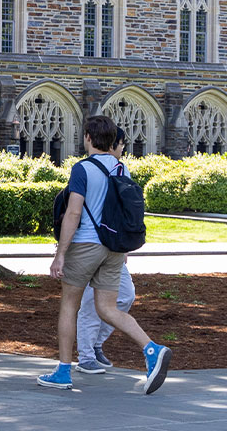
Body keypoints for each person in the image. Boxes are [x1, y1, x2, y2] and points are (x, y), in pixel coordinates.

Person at [41, 113, 171, 394]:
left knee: (69, 306)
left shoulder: (82, 169)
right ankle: (151, 349)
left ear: (87, 137)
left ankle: (63, 371)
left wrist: (60, 253)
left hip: (85, 245)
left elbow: (73, 212)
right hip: (114, 249)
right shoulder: (121, 169)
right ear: (113, 140)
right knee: (108, 308)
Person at [76, 127, 136, 376]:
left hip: (114, 246)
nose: (122, 149)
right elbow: (74, 208)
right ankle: (86, 356)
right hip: (90, 244)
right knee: (91, 303)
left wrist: (125, 244)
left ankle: (97, 343)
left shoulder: (122, 170)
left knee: (125, 295)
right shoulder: (84, 168)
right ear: (110, 143)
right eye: (120, 144)